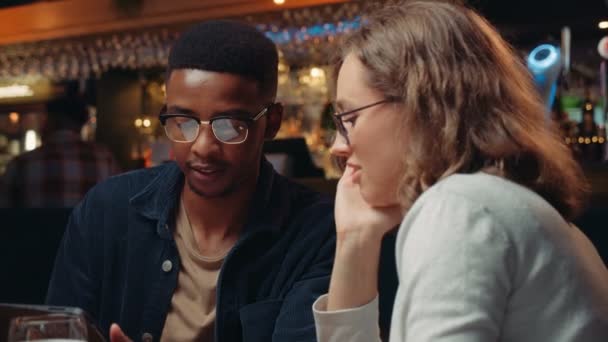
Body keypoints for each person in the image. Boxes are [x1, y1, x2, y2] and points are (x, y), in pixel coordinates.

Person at [312, 1, 608, 341]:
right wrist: (356, 241)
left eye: (349, 119)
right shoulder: (500, 203)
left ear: (421, 105)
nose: (337, 147)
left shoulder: (461, 207)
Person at [46, 20, 335, 342]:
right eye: (183, 122)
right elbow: (59, 331)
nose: (202, 147)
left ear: (271, 123)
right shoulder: (105, 211)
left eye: (229, 125)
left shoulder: (316, 231)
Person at [0, 95, 119, 207]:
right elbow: (118, 205)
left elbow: (5, 211)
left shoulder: (22, 164)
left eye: (45, 118)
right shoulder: (105, 159)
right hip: (91, 229)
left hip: (38, 229)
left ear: (53, 120)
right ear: (81, 124)